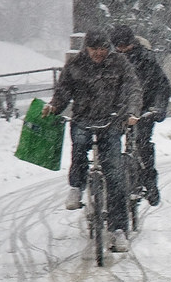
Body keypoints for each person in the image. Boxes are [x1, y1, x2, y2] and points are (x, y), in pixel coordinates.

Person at [42, 28, 142, 252]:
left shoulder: (120, 63)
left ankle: (118, 230)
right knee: (78, 145)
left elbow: (133, 88)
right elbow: (63, 90)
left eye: (103, 48)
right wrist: (55, 106)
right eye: (94, 49)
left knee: (115, 174)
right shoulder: (75, 65)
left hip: (111, 121)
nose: (99, 53)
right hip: (83, 118)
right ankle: (76, 186)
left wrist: (132, 111)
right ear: (86, 48)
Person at [110, 25, 171, 206]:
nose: (122, 50)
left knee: (142, 144)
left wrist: (157, 108)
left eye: (125, 46)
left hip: (143, 111)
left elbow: (162, 86)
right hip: (116, 111)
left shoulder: (147, 59)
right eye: (118, 46)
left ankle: (149, 181)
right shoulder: (109, 60)